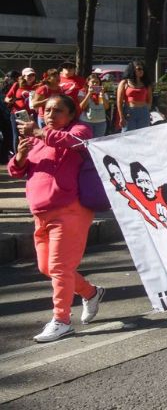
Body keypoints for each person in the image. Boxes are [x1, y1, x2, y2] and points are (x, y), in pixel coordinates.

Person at [7, 95, 104, 342]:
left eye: (58, 110)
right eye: (47, 110)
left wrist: (39, 133)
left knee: (60, 267)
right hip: (40, 214)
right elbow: (17, 170)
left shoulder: (79, 130)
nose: (50, 114)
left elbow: (77, 141)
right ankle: (91, 293)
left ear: (71, 114)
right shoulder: (37, 139)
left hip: (70, 210)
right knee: (47, 267)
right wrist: (19, 156)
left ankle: (61, 320)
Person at [116, 61, 153, 131]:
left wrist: (148, 108)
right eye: (139, 69)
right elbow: (119, 101)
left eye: (142, 69)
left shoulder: (146, 83)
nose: (141, 71)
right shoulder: (124, 82)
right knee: (128, 136)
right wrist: (121, 117)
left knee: (143, 135)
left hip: (143, 112)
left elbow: (150, 98)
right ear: (132, 70)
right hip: (129, 112)